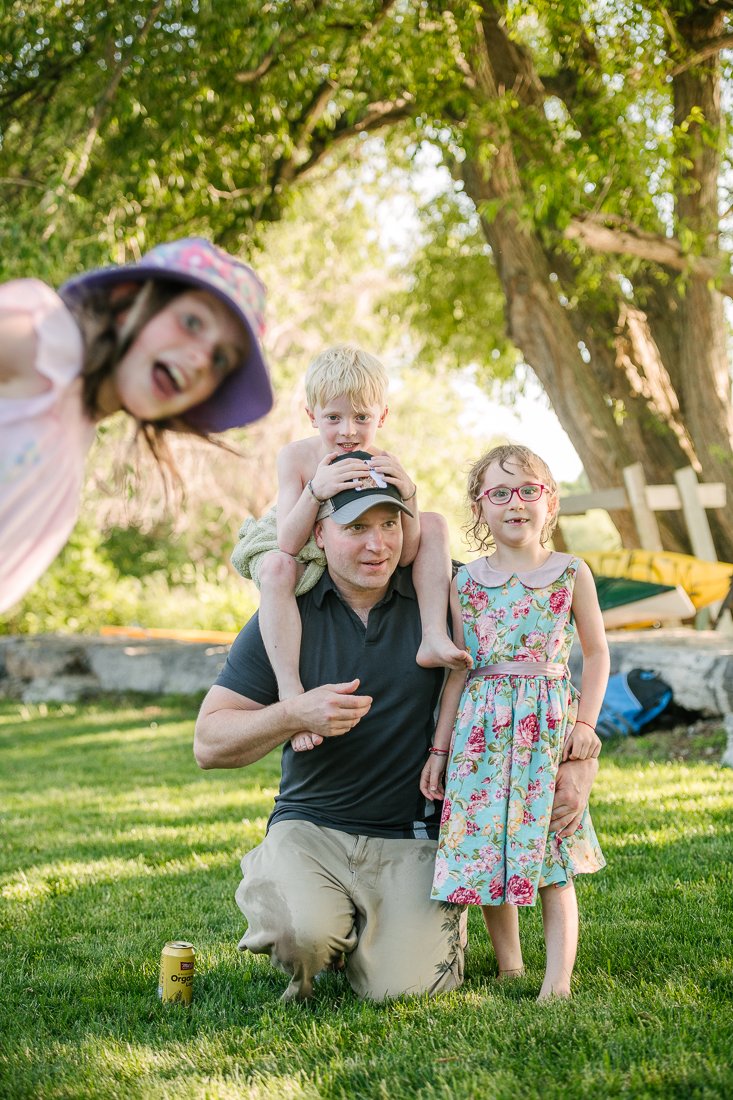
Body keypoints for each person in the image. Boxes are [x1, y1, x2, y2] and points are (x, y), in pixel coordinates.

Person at [193, 466, 600, 1004]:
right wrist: (294, 712)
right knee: (307, 939)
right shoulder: (286, 613)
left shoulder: (449, 591)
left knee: (406, 990)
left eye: (390, 524)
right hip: (313, 827)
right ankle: (310, 907)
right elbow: (208, 743)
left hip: (414, 837)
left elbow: (542, 660)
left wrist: (579, 761)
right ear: (320, 534)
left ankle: (370, 930)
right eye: (356, 528)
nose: (377, 544)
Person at [420, 444, 609, 1001]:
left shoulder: (571, 573)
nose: (515, 503)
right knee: (489, 849)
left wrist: (588, 726)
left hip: (546, 727)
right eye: (499, 493)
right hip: (481, 730)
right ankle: (509, 966)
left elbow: (596, 655)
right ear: (480, 508)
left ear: (549, 502)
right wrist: (439, 750)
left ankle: (558, 981)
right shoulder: (466, 583)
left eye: (529, 490)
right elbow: (458, 672)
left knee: (550, 850)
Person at [0, 237, 273, 614]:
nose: (200, 359)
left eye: (221, 359)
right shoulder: (44, 340)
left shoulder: (72, 435)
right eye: (191, 322)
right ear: (128, 303)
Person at [230, 344, 471, 752]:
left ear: (383, 416)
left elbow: (408, 552)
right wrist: (315, 490)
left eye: (362, 418)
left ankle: (432, 634)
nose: (348, 431)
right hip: (298, 536)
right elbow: (288, 543)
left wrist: (408, 494)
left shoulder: (381, 460)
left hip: (351, 541)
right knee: (274, 569)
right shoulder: (297, 457)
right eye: (333, 418)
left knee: (434, 521)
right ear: (311, 416)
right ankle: (291, 692)